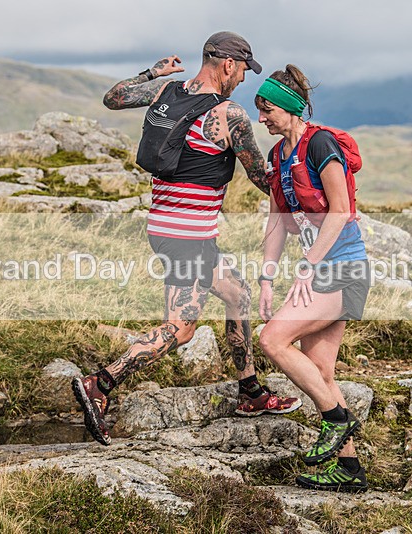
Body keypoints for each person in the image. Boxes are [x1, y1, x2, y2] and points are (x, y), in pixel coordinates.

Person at [72, 32, 301, 446]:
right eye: (243, 71)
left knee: (237, 294)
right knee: (181, 328)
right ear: (228, 65)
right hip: (187, 235)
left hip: (168, 226)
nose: (243, 80)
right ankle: (100, 384)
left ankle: (250, 392)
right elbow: (260, 178)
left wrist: (151, 72)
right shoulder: (229, 115)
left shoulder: (166, 90)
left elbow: (113, 97)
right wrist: (306, 190)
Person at [254, 65, 371, 491]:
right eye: (259, 110)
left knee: (271, 340)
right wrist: (267, 278)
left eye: (267, 110)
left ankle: (336, 419)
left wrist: (307, 265)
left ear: (289, 108)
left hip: (344, 270)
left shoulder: (320, 144)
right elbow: (276, 222)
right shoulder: (276, 157)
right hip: (320, 270)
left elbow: (340, 211)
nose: (261, 118)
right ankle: (349, 470)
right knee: (320, 371)